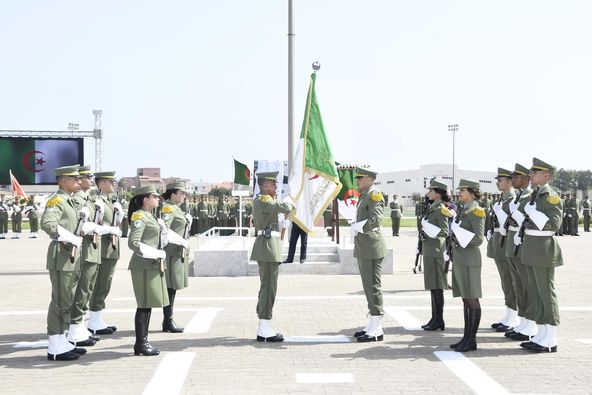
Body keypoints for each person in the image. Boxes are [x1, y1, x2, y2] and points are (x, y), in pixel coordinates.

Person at [517, 158, 563, 353]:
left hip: (543, 248)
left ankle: (551, 338)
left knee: (546, 293)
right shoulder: (535, 195)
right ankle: (542, 334)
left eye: (535, 173)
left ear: (546, 175)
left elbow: (554, 224)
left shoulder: (551, 196)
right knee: (536, 293)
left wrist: (532, 213)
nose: (531, 176)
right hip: (531, 246)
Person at [41, 165, 86, 361]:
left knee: (67, 300)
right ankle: (54, 345)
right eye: (74, 178)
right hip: (61, 256)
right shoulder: (57, 200)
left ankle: (62, 339)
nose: (78, 181)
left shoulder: (69, 201)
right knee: (60, 300)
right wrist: (70, 237)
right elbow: (48, 224)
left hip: (71, 256)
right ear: (62, 181)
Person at [250, 172, 294, 342]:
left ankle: (264, 323)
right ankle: (264, 327)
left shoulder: (267, 200)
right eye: (273, 183)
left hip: (270, 245)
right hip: (267, 248)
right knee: (269, 287)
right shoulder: (263, 199)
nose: (276, 186)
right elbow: (284, 208)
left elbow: (273, 216)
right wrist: (290, 200)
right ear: (263, 186)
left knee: (268, 286)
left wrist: (282, 224)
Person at [127, 185, 169, 355]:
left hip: (152, 264)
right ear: (145, 199)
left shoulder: (152, 217)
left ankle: (143, 342)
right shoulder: (140, 216)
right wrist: (156, 253)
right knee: (144, 304)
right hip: (143, 265)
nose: (158, 199)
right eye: (155, 196)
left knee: (149, 303)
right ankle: (141, 343)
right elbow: (133, 243)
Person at [449, 179, 485, 352]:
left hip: (470, 259)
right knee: (465, 298)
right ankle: (466, 337)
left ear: (471, 192)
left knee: (472, 299)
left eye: (462, 190)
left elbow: (478, 238)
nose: (459, 193)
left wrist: (459, 233)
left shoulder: (476, 211)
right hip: (461, 258)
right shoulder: (464, 210)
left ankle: (471, 339)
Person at [351, 167, 387, 342]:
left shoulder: (374, 195)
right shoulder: (365, 195)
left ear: (369, 179)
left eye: (360, 178)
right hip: (365, 246)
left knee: (373, 285)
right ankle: (372, 324)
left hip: (371, 246)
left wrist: (359, 227)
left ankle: (377, 327)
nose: (358, 181)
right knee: (368, 285)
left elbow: (376, 220)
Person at [504, 163, 538, 341]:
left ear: (526, 178)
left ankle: (531, 323)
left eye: (516, 177)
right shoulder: (519, 196)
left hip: (523, 246)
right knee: (519, 286)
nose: (513, 180)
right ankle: (524, 321)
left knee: (527, 286)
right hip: (515, 244)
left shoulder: (530, 196)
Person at [88, 171, 123, 335]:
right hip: (101, 249)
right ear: (101, 183)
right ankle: (93, 320)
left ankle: (97, 318)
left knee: (105, 285)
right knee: (98, 285)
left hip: (110, 249)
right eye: (111, 181)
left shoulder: (111, 201)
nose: (113, 184)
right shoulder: (97, 200)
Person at [487, 168, 519, 332]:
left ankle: (514, 316)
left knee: (512, 281)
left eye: (500, 180)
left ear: (509, 181)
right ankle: (509, 314)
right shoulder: (500, 201)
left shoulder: (513, 200)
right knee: (505, 281)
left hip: (508, 243)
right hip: (499, 243)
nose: (497, 182)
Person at [420, 180, 453, 332]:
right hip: (430, 250)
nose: (428, 193)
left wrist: (429, 231)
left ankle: (439, 319)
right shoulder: (433, 207)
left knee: (438, 286)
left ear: (438, 193)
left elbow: (444, 231)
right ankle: (434, 318)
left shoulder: (440, 209)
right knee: (433, 285)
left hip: (436, 251)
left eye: (431, 191)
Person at [161, 182, 192, 333]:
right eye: (182, 193)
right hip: (171, 253)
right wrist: (180, 241)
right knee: (170, 287)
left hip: (177, 252)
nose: (184, 196)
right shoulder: (168, 207)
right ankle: (168, 321)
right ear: (173, 194)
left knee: (173, 288)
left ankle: (168, 320)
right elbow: (164, 229)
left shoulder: (176, 208)